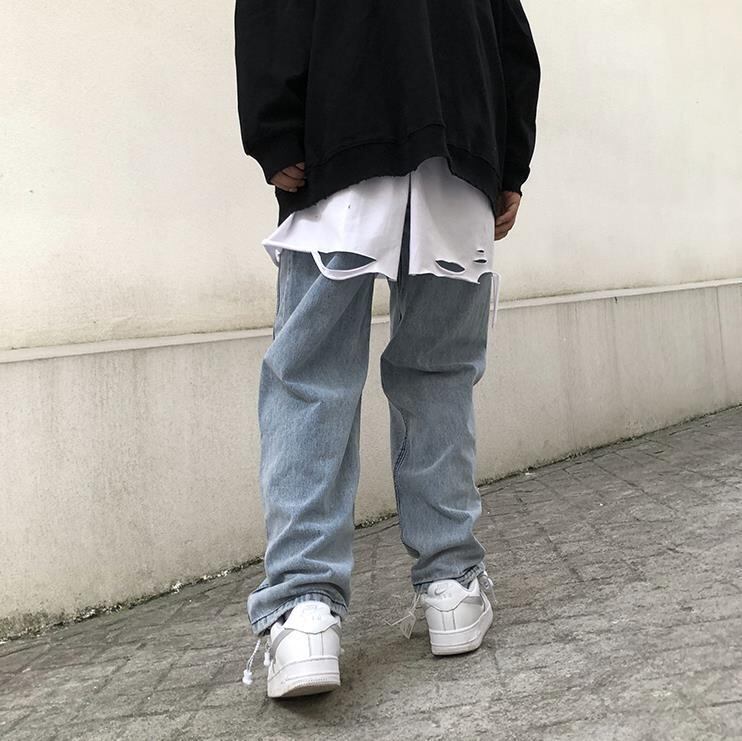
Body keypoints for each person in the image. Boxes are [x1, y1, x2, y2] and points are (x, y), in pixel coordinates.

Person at [234, 0, 540, 698]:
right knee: (439, 373)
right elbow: (510, 31)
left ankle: (304, 611)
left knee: (312, 374)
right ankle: (452, 586)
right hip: (460, 134)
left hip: (345, 121)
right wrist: (509, 156)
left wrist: (274, 123)